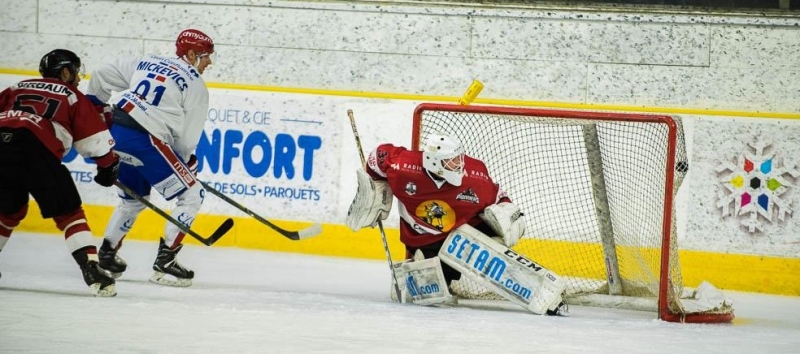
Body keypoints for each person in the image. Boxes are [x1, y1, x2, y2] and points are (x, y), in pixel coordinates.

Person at [85, 29, 215, 287]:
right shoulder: (196, 85)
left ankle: (107, 257)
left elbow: (101, 74)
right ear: (191, 55)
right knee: (192, 194)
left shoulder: (146, 61)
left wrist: (95, 108)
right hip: (146, 140)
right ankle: (166, 263)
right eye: (205, 56)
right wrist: (186, 163)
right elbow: (187, 138)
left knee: (133, 200)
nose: (209, 62)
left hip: (116, 135)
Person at [0, 49, 120, 296]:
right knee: (69, 213)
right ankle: (91, 269)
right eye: (74, 72)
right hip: (33, 145)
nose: (77, 78)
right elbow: (94, 139)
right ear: (65, 72)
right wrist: (107, 166)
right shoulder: (72, 95)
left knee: (7, 210)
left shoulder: (16, 87)